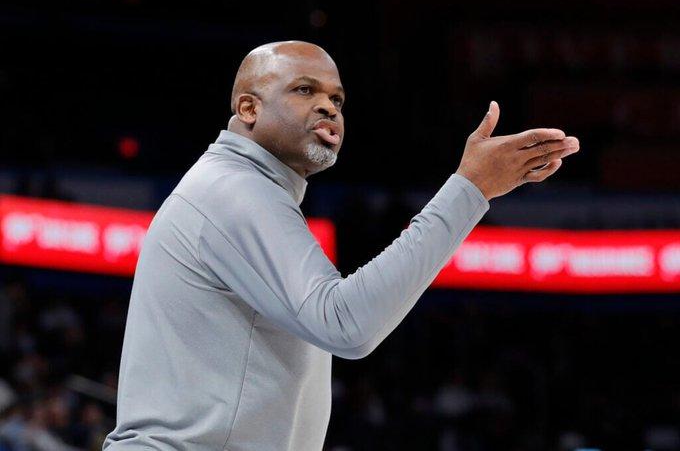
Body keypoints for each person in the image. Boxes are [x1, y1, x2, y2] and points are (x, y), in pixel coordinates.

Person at [102, 41, 579, 450]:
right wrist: (469, 190)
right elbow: (347, 323)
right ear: (248, 109)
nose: (329, 107)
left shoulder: (240, 187)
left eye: (337, 98)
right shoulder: (234, 189)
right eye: (304, 90)